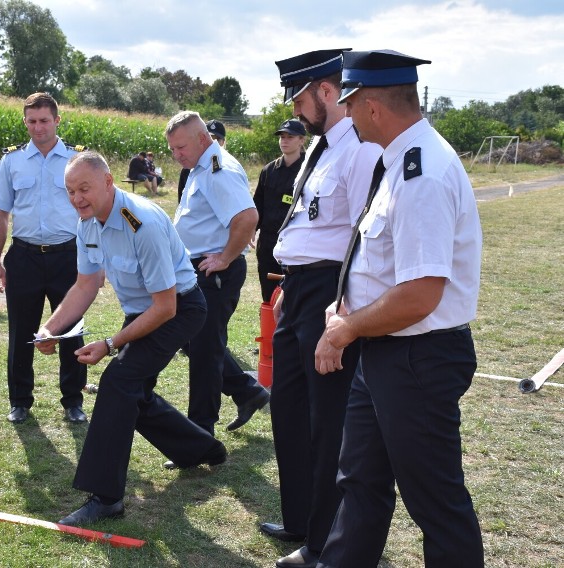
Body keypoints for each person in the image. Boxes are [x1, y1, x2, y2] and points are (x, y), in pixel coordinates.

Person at [313, 49, 484, 568]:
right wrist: (347, 307)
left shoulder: (422, 173)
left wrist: (344, 331)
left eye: (348, 102)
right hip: (386, 353)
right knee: (360, 481)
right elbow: (383, 262)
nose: (343, 113)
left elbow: (420, 294)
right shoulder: (400, 161)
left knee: (435, 502)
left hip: (419, 359)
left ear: (370, 107)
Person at [35, 151, 226, 526]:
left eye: (84, 189)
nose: (77, 198)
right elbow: (86, 283)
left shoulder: (142, 222)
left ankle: (106, 498)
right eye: (70, 190)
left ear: (108, 182)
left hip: (179, 309)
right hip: (145, 311)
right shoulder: (87, 223)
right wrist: (50, 328)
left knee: (118, 382)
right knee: (132, 391)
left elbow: (166, 307)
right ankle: (202, 448)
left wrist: (110, 344)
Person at [264, 49, 382, 568]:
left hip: (330, 293)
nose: (295, 108)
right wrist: (291, 276)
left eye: (299, 96)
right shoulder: (321, 147)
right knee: (288, 408)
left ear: (326, 92)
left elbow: (362, 235)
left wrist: (341, 313)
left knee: (326, 419)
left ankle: (322, 542)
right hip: (299, 288)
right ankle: (299, 519)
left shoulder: (356, 149)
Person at [0, 92, 88, 424]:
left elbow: (94, 213)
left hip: (68, 256)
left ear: (57, 121)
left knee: (71, 329)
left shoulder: (77, 160)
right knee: (21, 331)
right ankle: (20, 401)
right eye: (32, 121)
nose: (38, 128)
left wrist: (96, 260)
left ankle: (73, 400)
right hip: (24, 256)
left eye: (44, 121)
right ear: (25, 121)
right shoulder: (13, 162)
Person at [166, 111, 269, 442]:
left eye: (180, 147)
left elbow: (248, 216)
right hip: (198, 269)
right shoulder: (200, 166)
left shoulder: (217, 169)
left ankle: (200, 434)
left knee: (205, 353)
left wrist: (225, 257)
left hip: (215, 273)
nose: (176, 155)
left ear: (201, 138)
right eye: (172, 149)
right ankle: (246, 391)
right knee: (195, 342)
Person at [252, 119, 307, 302]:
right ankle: (269, 331)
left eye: (290, 137)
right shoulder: (269, 170)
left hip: (297, 244)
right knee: (269, 297)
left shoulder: (310, 170)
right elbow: (257, 203)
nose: (284, 140)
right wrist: (252, 228)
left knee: (294, 299)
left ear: (301, 140)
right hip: (268, 244)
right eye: (282, 137)